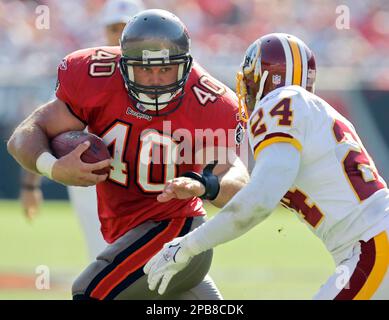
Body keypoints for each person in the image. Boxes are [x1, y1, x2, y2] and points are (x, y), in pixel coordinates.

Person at [7, 9, 249, 300]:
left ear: (185, 65)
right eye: (145, 69)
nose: (156, 80)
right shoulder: (94, 75)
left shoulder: (212, 102)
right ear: (124, 66)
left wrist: (205, 184)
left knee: (90, 292)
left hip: (176, 228)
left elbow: (239, 182)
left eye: (166, 69)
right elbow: (24, 135)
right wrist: (53, 168)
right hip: (127, 232)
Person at [144, 33, 389, 300]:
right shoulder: (311, 113)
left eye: (249, 80)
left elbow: (258, 202)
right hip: (370, 242)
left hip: (373, 245)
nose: (246, 91)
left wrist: (187, 246)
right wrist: (205, 186)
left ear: (265, 79)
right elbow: (254, 194)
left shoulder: (279, 102)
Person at [19, 0, 145, 261]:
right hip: (90, 178)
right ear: (104, 30)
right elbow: (41, 127)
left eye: (127, 27)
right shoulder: (88, 70)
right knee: (104, 255)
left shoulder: (161, 74)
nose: (120, 35)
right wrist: (31, 185)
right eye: (114, 28)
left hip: (146, 179)